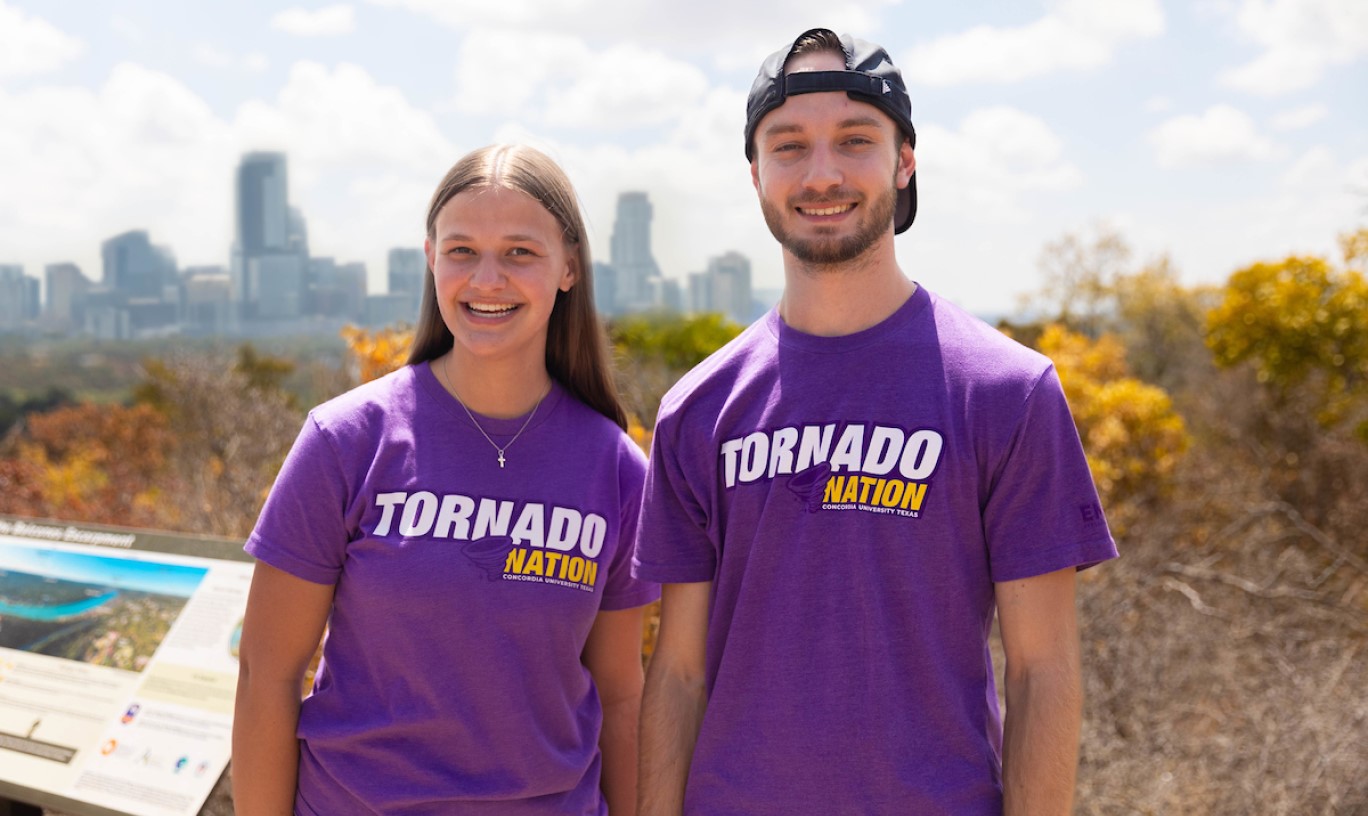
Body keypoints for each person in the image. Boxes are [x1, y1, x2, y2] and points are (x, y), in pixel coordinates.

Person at [633, 28, 1118, 815]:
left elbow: (1042, 671)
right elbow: (680, 674)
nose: (821, 172)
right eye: (788, 146)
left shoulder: (1006, 392)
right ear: (755, 173)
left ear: (904, 160)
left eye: (854, 140)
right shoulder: (698, 411)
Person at [232, 144, 658, 815]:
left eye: (520, 252)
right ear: (431, 259)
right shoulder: (346, 442)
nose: (487, 279)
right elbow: (267, 675)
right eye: (462, 251)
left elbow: (622, 694)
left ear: (570, 267)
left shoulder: (619, 471)